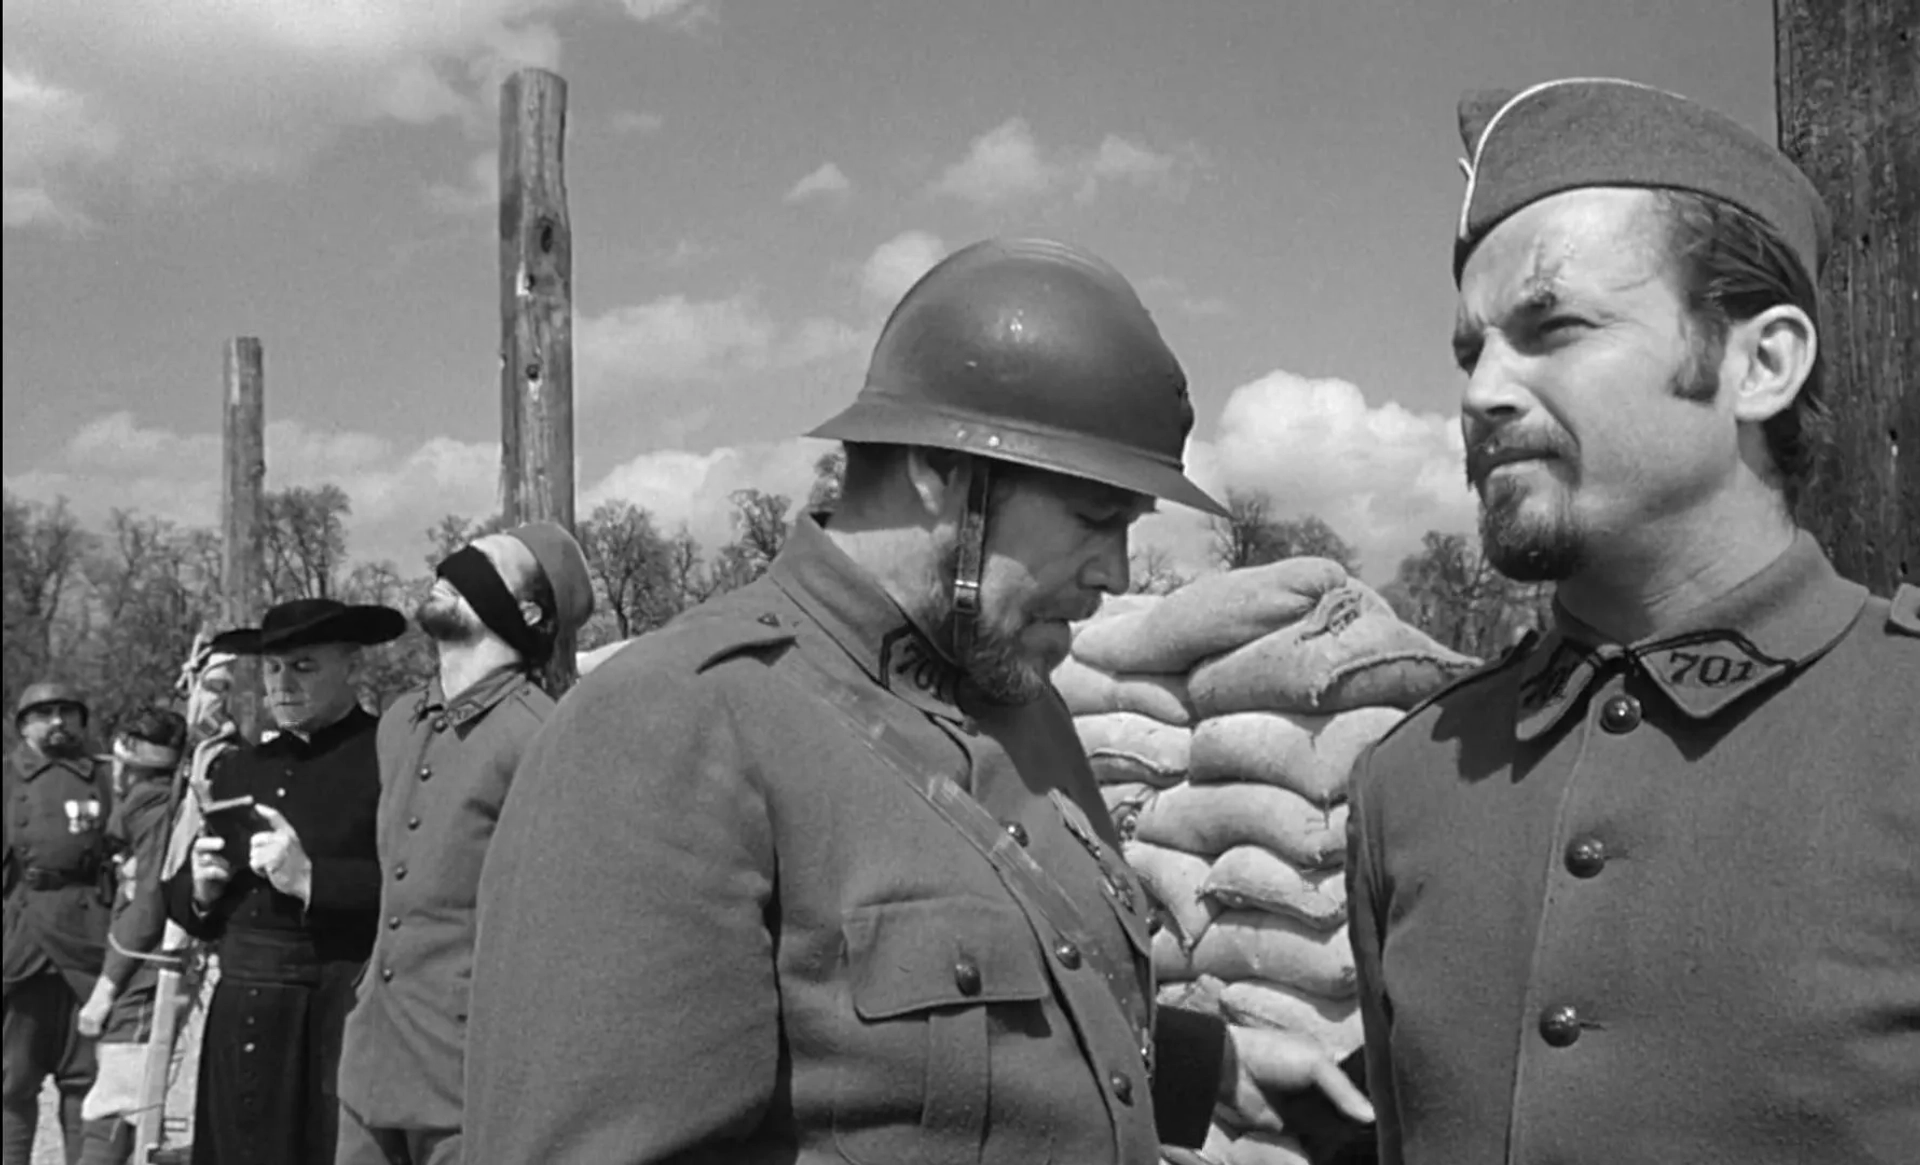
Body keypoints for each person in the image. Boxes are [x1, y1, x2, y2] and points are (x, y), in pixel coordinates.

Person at [465, 237, 1375, 1163]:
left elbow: (918, 1065)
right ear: (942, 472)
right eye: (1094, 521)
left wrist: (1206, 1068)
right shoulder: (672, 728)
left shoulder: (1026, 708)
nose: (1116, 571)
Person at [1346, 77, 1920, 1164]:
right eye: (1472, 350)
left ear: (1761, 362)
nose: (1481, 394)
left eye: (1551, 326)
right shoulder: (1409, 783)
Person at [334, 522, 594, 1165]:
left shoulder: (545, 738)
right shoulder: (398, 722)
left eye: (485, 563)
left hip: (470, 1081)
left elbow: (566, 932)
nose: (455, 566)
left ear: (528, 612)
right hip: (371, 1062)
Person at [164, 598, 404, 1165]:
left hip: (333, 1007)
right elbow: (179, 901)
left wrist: (314, 880)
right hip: (240, 1000)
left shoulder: (386, 757)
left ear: (351, 666)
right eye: (272, 668)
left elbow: (416, 885)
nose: (283, 684)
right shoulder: (239, 766)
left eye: (304, 667)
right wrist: (200, 890)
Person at [2, 683, 116, 1165]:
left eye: (67, 713)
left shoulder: (106, 776)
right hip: (21, 936)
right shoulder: (6, 779)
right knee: (12, 1080)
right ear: (23, 725)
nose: (57, 722)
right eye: (44, 713)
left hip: (86, 938)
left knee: (84, 1080)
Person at [72, 708, 190, 1165]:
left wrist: (106, 988)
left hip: (148, 972)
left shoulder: (155, 809)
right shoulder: (152, 805)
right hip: (145, 968)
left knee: (119, 1105)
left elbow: (147, 909)